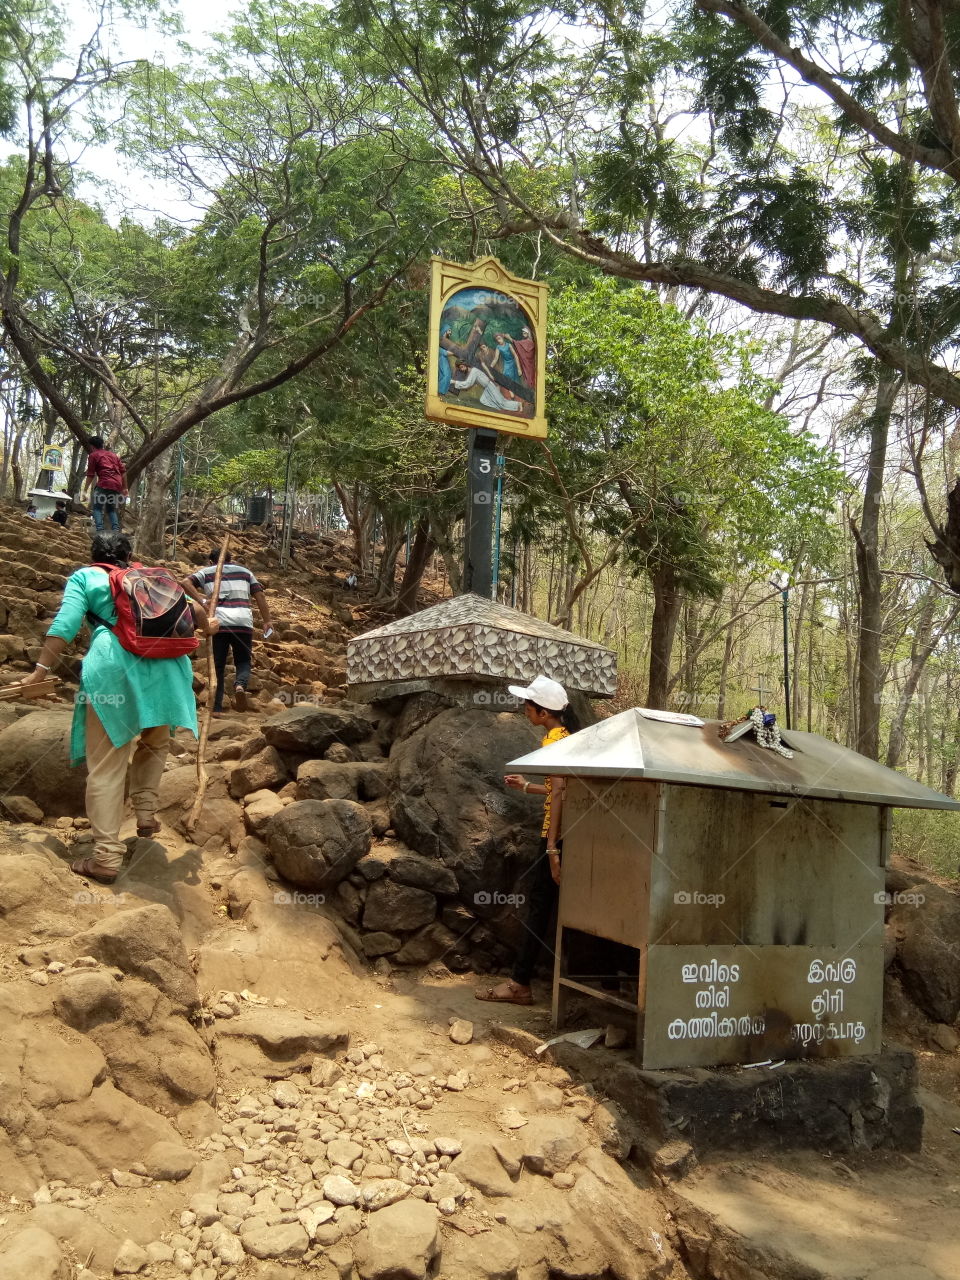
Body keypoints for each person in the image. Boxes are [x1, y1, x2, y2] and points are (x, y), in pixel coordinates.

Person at [19, 533, 217, 885]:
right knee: (155, 743)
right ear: (129, 556)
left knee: (108, 766)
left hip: (116, 671)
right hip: (169, 672)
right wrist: (209, 627)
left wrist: (41, 670)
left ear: (94, 555)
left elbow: (65, 624)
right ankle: (145, 813)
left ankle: (106, 859)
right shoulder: (156, 578)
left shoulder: (86, 577)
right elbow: (199, 611)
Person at [476, 675, 580, 1005]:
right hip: (566, 833)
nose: (524, 708)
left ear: (542, 712)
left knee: (539, 907)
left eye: (528, 704)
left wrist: (551, 848)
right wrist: (525, 786)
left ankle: (520, 982)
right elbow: (558, 788)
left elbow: (562, 791)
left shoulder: (554, 742)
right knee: (548, 905)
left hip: (556, 835)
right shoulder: (567, 736)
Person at [183, 551, 273, 715]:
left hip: (219, 623)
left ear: (212, 561)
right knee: (243, 660)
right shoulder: (245, 572)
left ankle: (216, 707)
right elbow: (259, 595)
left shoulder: (207, 572)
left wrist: (202, 601)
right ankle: (240, 685)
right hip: (243, 622)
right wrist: (267, 621)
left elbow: (185, 582)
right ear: (231, 560)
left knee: (217, 665)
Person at [81, 435, 127, 532]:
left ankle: (100, 530)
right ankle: (115, 530)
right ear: (102, 445)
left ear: (92, 446)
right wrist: (125, 488)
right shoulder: (114, 456)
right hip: (116, 485)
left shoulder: (93, 455)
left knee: (97, 508)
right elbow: (123, 472)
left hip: (104, 483)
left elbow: (90, 474)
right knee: (110, 509)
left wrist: (84, 491)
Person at [450, 361, 522, 412]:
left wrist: (454, 382)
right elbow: (471, 383)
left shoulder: (473, 371)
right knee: (483, 400)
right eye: (460, 368)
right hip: (487, 389)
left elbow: (468, 383)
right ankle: (502, 406)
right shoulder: (472, 372)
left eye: (462, 367)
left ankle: (518, 404)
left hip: (490, 387)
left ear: (465, 365)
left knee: (501, 403)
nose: (462, 369)